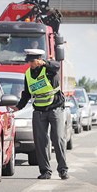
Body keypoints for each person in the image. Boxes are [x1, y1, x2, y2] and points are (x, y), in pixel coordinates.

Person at [10, 49, 69, 180]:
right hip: (39, 111)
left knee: (58, 139)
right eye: (28, 62)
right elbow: (26, 94)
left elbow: (57, 65)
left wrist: (45, 63)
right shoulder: (28, 74)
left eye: (32, 61)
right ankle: (45, 171)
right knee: (41, 142)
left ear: (38, 60)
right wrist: (18, 107)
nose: (29, 64)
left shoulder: (49, 69)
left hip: (55, 109)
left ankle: (63, 170)